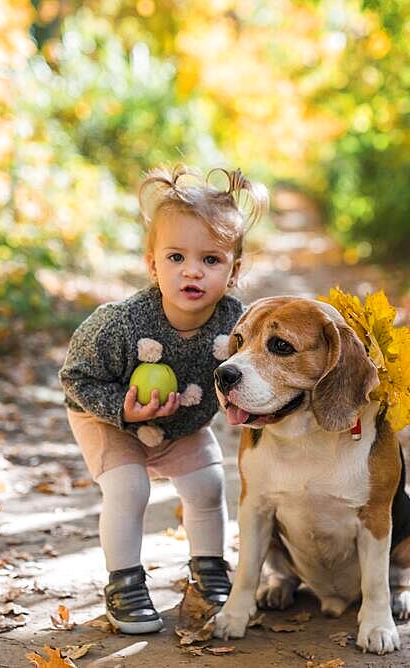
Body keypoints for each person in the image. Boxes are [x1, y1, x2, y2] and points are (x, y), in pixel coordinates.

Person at [58, 165, 268, 634]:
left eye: (211, 260)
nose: (192, 270)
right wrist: (121, 410)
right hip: (106, 415)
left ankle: (209, 568)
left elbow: (252, 371)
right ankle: (124, 581)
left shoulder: (237, 322)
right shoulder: (122, 323)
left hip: (181, 422)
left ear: (233, 272)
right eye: (176, 257)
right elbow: (75, 378)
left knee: (208, 485)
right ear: (153, 265)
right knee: (130, 487)